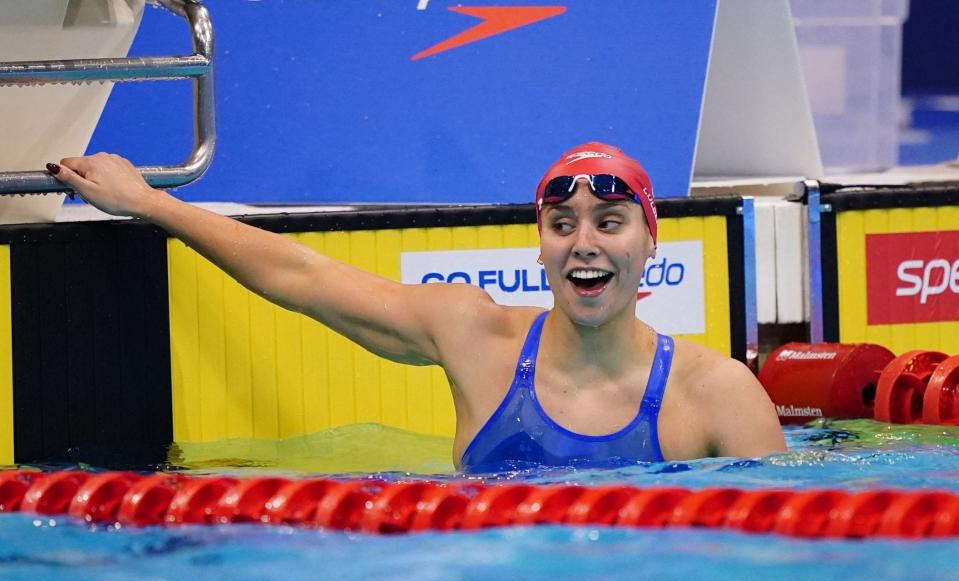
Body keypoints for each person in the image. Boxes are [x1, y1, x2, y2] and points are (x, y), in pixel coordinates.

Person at [46, 142, 786, 472]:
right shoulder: (474, 337)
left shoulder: (714, 393)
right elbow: (300, 276)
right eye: (561, 227)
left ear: (648, 245)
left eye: (608, 224)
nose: (583, 243)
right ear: (540, 249)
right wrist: (147, 202)